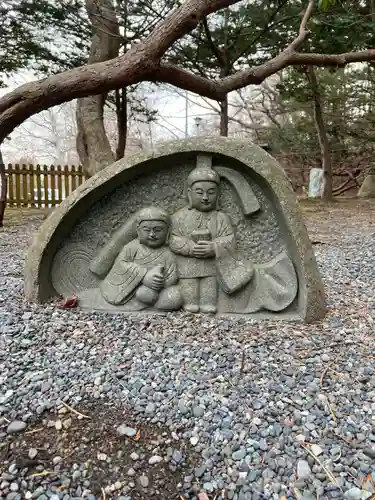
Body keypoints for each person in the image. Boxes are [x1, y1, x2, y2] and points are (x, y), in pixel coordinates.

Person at [169, 165, 238, 313]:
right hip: (187, 265)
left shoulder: (221, 218)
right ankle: (190, 303)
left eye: (211, 193)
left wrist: (214, 247)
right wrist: (190, 247)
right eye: (199, 192)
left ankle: (208, 304)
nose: (205, 198)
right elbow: (172, 239)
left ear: (218, 195)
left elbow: (230, 240)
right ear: (189, 193)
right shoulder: (179, 217)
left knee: (210, 287)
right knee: (189, 289)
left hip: (211, 266)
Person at [95, 207, 182, 311]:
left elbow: (172, 275)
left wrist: (160, 283)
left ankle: (156, 302)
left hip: (156, 290)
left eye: (158, 230)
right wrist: (144, 276)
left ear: (167, 232)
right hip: (129, 290)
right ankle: (146, 301)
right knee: (143, 293)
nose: (152, 234)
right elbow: (120, 265)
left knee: (175, 296)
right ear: (138, 230)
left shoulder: (167, 253)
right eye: (146, 230)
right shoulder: (132, 247)